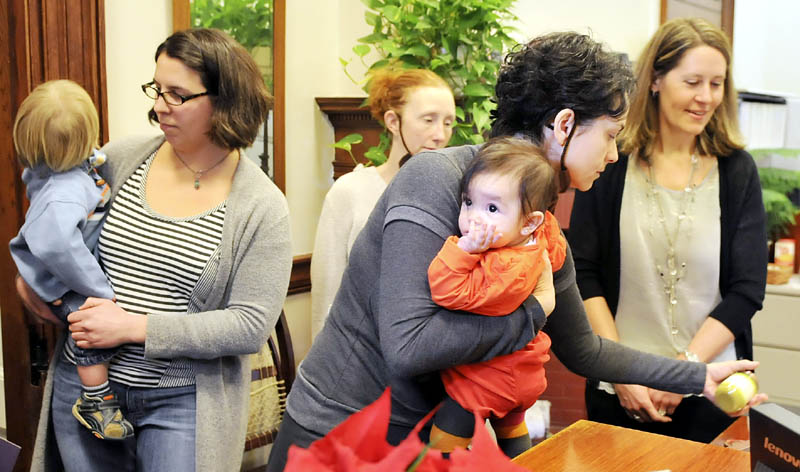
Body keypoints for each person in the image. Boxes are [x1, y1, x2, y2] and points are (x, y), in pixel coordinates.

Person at [266, 32, 766, 471]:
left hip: (430, 443)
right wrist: (532, 311)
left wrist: (698, 376)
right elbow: (409, 346)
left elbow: (585, 350)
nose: (614, 155)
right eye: (610, 136)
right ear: (564, 124)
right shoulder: (436, 180)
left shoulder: (539, 226)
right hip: (339, 437)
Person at [23, 28, 292, 472]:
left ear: (225, 100)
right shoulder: (119, 158)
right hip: (86, 390)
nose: (158, 106)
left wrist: (133, 327)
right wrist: (32, 285)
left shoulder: (262, 206)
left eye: (176, 94)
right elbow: (57, 232)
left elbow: (248, 325)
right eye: (156, 89)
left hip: (182, 404)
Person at [569, 18, 767, 443]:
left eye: (717, 84)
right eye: (693, 81)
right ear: (655, 79)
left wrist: (685, 371)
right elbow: (582, 273)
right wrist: (619, 369)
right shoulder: (611, 160)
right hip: (620, 387)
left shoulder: (736, 170)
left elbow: (746, 290)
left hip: (712, 392)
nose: (706, 97)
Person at [10, 79, 133, 441]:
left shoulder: (64, 172)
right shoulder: (66, 192)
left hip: (56, 271)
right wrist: (99, 289)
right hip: (61, 278)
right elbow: (56, 246)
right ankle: (95, 401)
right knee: (94, 329)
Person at [426, 137, 565, 457]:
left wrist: (464, 251)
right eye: (468, 202)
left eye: (491, 208)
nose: (474, 217)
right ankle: (520, 458)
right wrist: (543, 228)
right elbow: (555, 254)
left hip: (486, 382)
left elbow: (447, 291)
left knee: (443, 437)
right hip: (522, 375)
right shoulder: (534, 243)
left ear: (530, 221)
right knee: (513, 430)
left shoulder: (504, 268)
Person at [310, 68, 456, 340]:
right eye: (428, 120)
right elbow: (326, 296)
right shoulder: (350, 192)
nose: (440, 134)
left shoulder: (453, 197)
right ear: (392, 121)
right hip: (359, 353)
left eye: (448, 123)